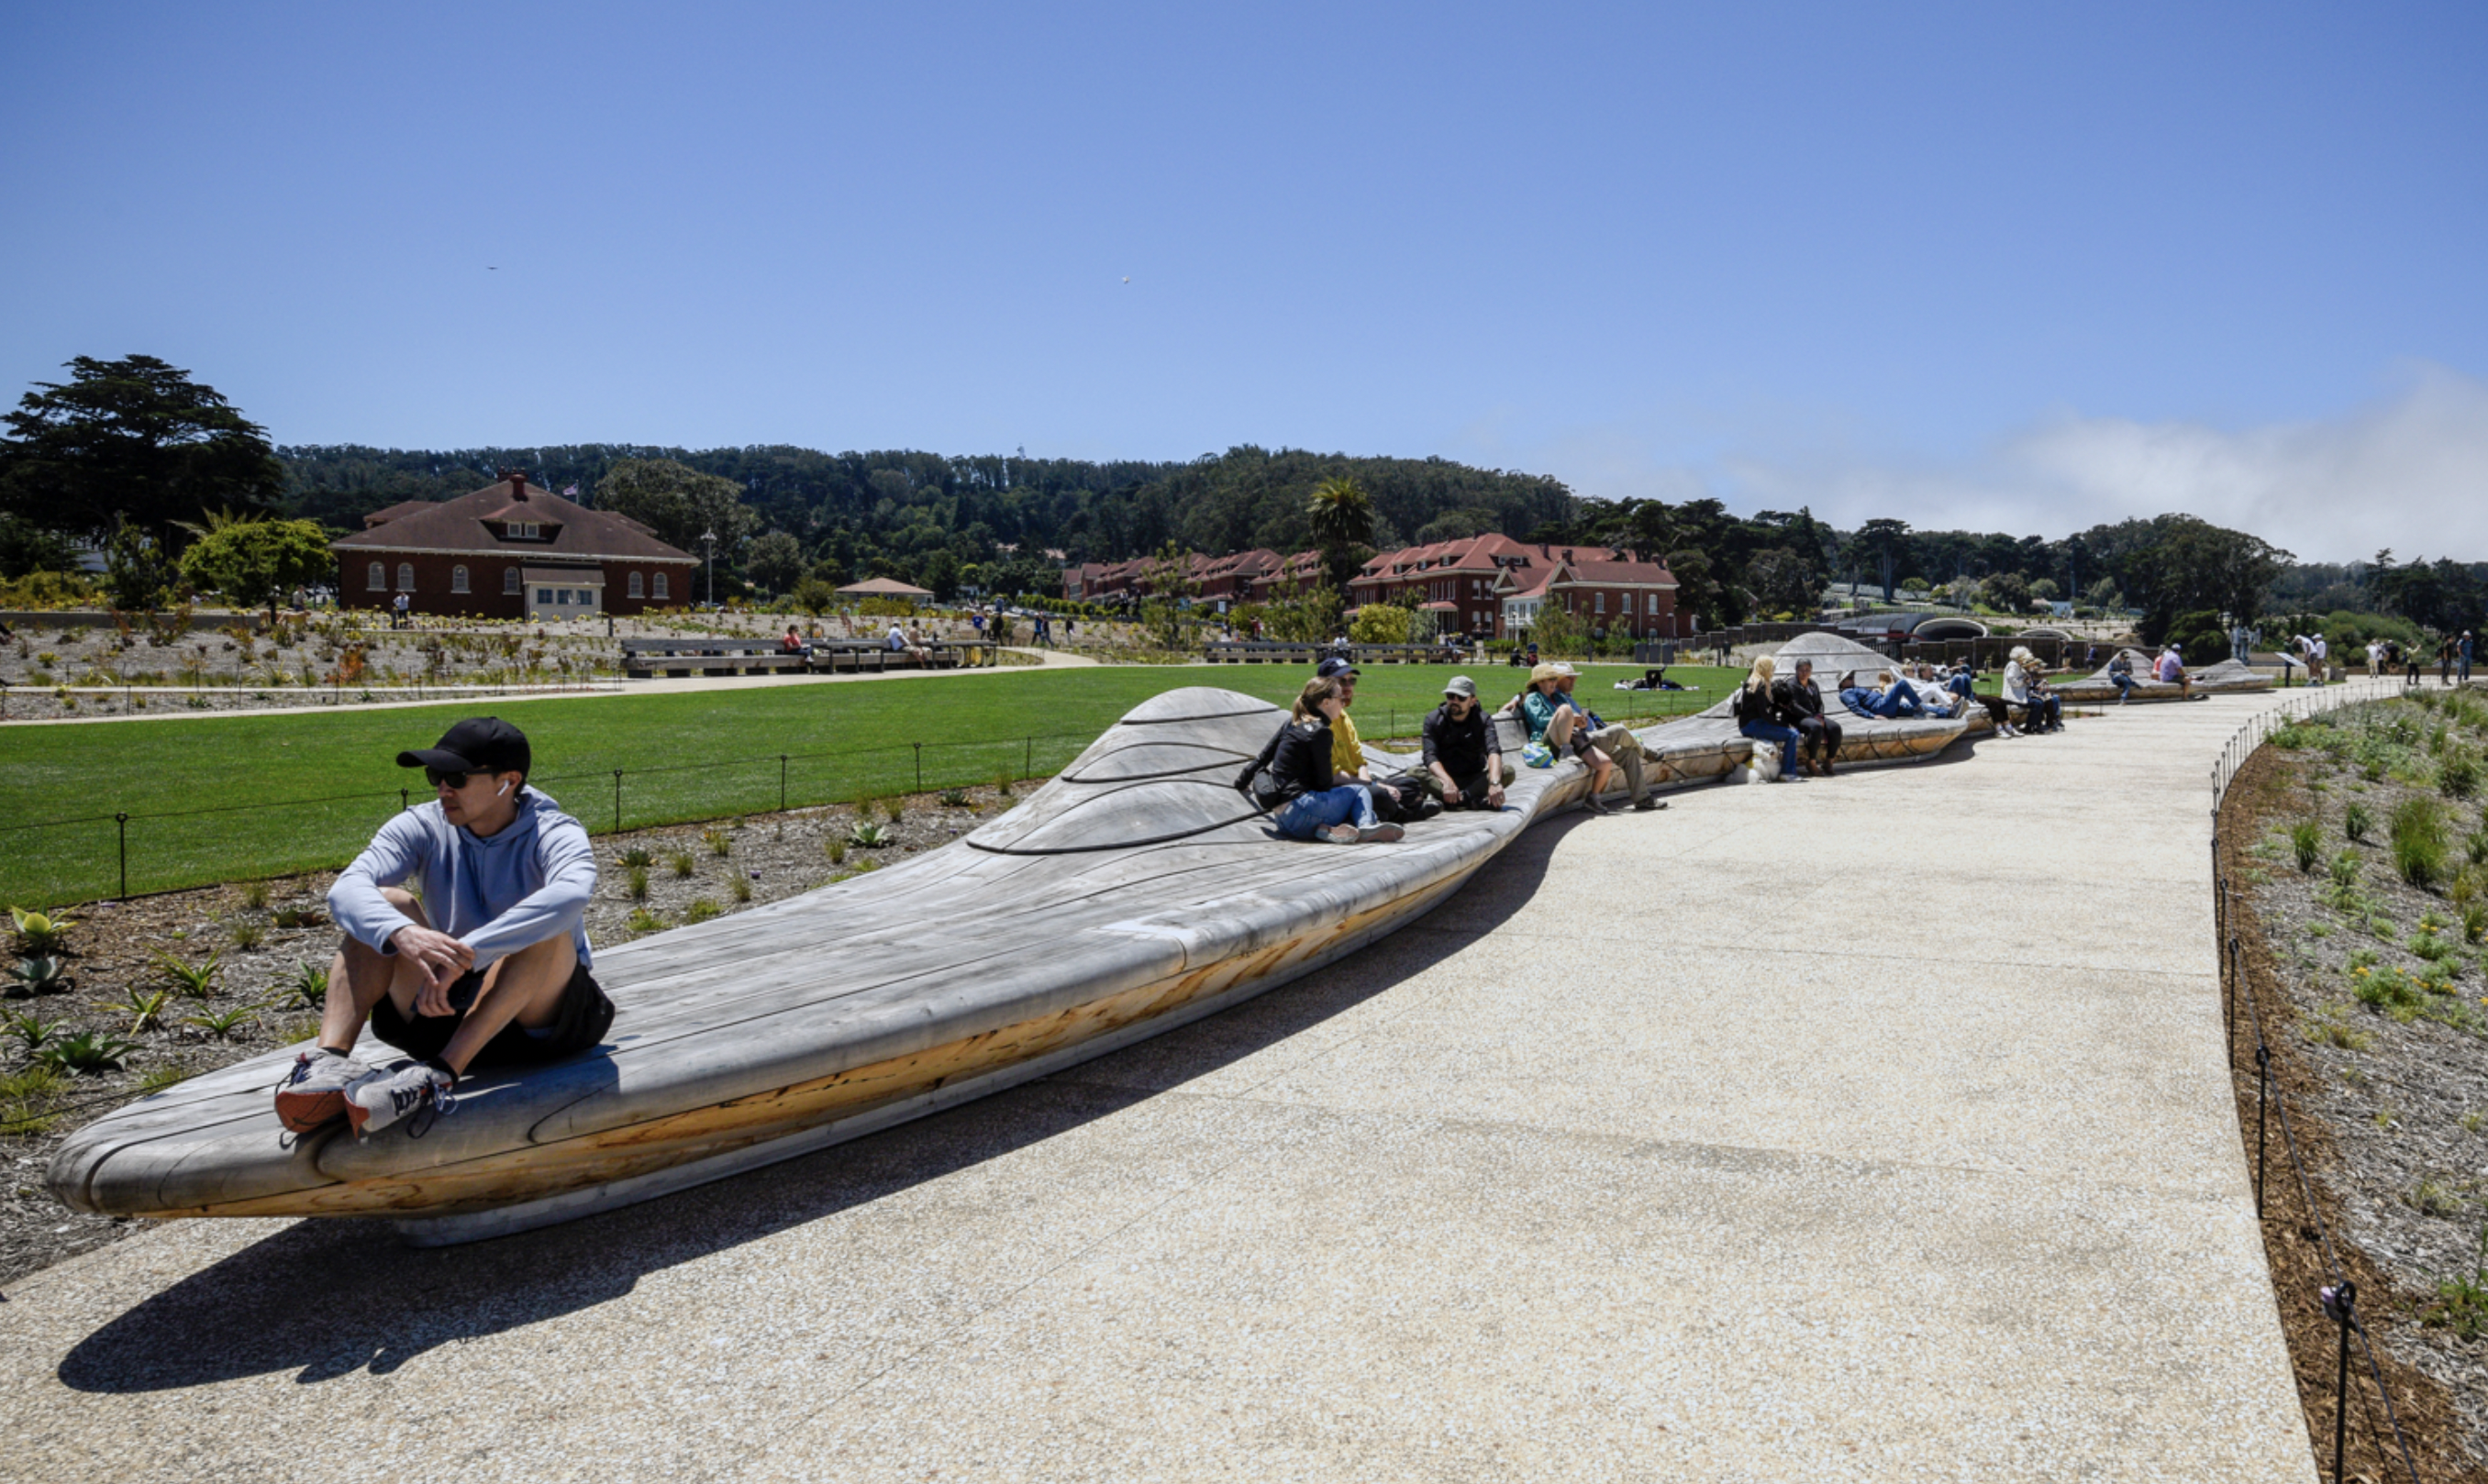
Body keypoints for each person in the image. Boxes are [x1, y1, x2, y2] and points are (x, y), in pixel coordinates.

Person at [279, 718, 613, 1139]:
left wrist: (467, 953)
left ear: (508, 781)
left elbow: (572, 894)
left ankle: (438, 1076)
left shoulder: (555, 831)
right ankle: (327, 1064)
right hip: (442, 1007)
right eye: (435, 776)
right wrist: (402, 933)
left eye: (456, 777)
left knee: (547, 926)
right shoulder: (421, 825)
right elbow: (345, 889)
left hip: (542, 1023)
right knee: (385, 905)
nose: (442, 790)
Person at [1236, 677, 1402, 844]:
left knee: (1350, 802)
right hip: (1303, 811)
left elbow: (1263, 758)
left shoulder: (1292, 722)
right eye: (1340, 699)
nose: (1344, 703)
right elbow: (1324, 783)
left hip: (1283, 821)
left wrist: (1241, 782)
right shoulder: (1322, 732)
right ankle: (1366, 826)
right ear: (1326, 703)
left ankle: (1328, 830)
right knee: (1360, 792)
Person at [1517, 662, 1627, 811]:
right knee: (1565, 709)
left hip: (1571, 738)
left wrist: (1579, 722)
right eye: (1551, 680)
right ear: (1539, 682)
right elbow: (1539, 720)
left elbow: (1569, 720)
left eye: (1555, 680)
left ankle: (1593, 798)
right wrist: (1566, 717)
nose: (1554, 683)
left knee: (1605, 763)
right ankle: (1565, 750)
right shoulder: (1533, 698)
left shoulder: (1558, 697)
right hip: (1547, 744)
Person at [1314, 657, 1412, 821]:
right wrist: (1371, 787)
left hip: (1358, 782)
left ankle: (1384, 811)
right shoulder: (1321, 723)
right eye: (1342, 682)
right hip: (1338, 788)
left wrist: (1369, 784)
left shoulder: (1343, 715)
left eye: (1351, 681)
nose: (1348, 687)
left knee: (1410, 785)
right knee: (1382, 794)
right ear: (1325, 685)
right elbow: (1335, 776)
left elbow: (1359, 761)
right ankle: (1404, 812)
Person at [1553, 662, 1660, 810]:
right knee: (1620, 731)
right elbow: (1556, 720)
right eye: (1568, 678)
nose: (1573, 681)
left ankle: (1642, 799)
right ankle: (1645, 752)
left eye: (1574, 677)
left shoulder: (1565, 696)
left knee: (1629, 755)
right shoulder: (1553, 697)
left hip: (1590, 738)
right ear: (1556, 680)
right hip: (1583, 742)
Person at [1419, 676, 1509, 811]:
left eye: (1461, 698)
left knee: (1507, 771)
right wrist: (1447, 781)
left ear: (1473, 701)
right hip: (1443, 779)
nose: (1454, 701)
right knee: (1414, 773)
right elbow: (1429, 756)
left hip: (1473, 778)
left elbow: (1493, 750)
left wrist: (1494, 782)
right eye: (1450, 696)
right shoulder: (1433, 720)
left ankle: (1457, 799)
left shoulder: (1483, 720)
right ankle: (1471, 801)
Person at [1735, 658, 1804, 781]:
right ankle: (1788, 772)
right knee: (1792, 735)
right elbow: (1764, 714)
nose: (1773, 670)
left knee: (1790, 734)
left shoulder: (1753, 681)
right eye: (1772, 667)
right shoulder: (1760, 685)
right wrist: (1784, 725)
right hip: (1753, 725)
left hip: (1748, 725)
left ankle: (1779, 770)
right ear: (1766, 668)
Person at [1772, 659, 1841, 776]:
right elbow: (1794, 706)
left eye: (1807, 670)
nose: (1804, 673)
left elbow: (1819, 703)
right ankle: (1811, 761)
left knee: (1835, 728)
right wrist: (1812, 717)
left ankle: (1829, 761)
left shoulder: (1813, 684)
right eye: (1801, 670)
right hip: (1798, 717)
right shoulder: (1791, 685)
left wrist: (1820, 715)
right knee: (1816, 727)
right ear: (1796, 670)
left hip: (1814, 716)